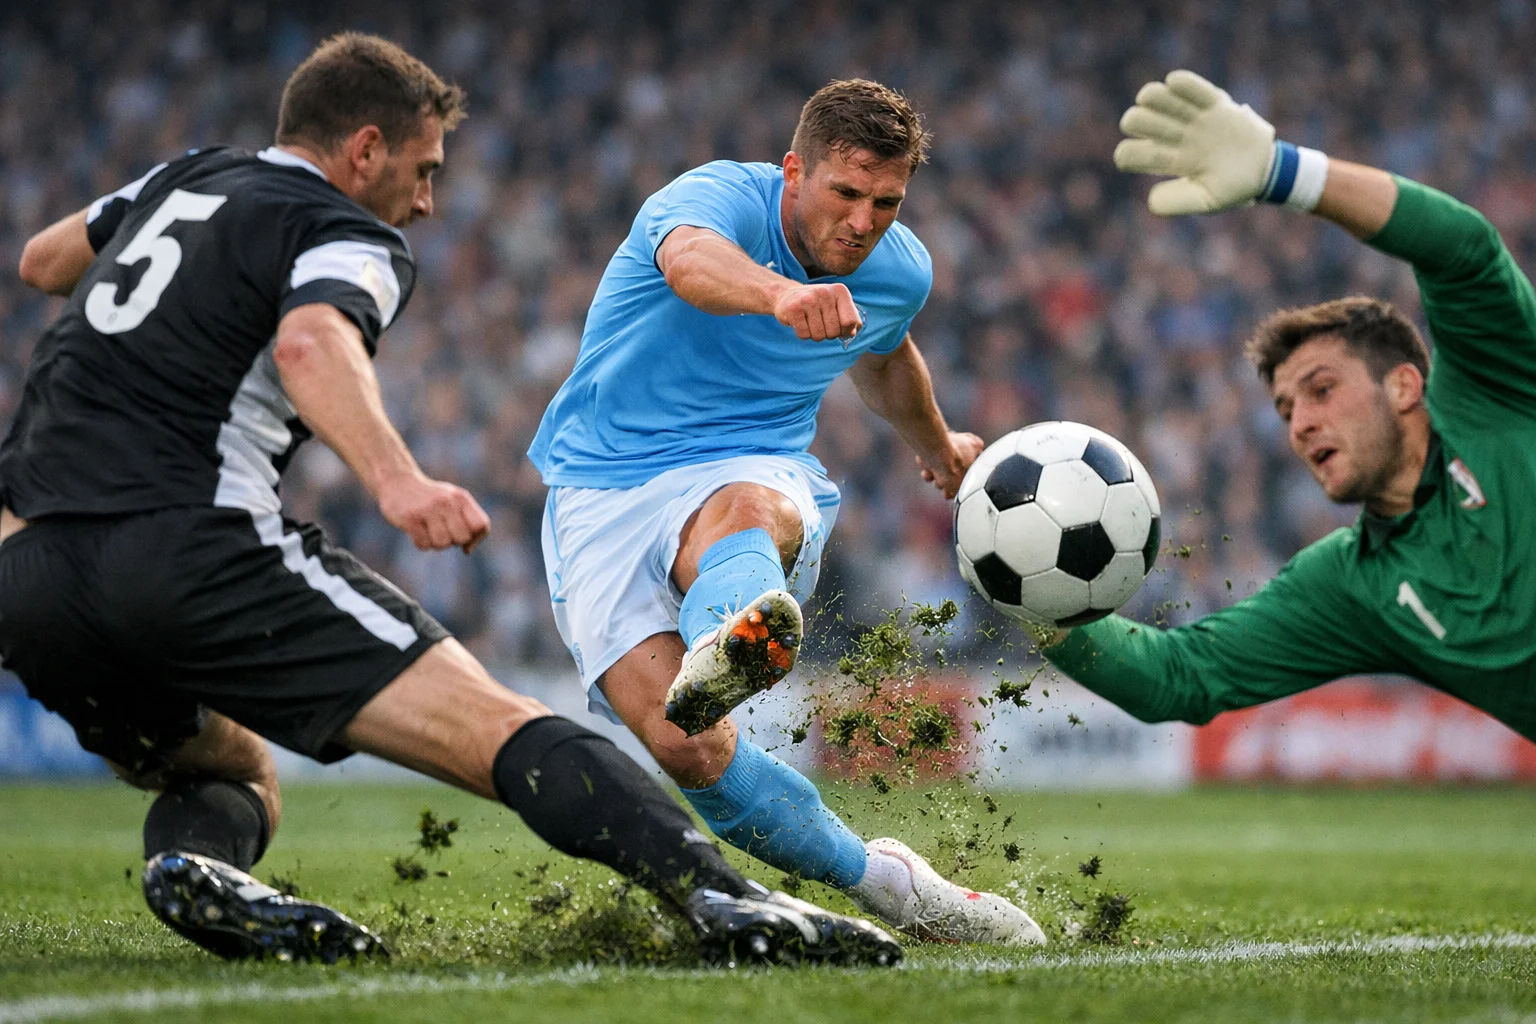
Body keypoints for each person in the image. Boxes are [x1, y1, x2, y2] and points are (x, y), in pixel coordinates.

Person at [0, 33, 901, 969]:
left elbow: (44, 259)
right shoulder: (349, 231)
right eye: (423, 170)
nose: (428, 200)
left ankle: (198, 865)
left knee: (231, 767)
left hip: (27, 570)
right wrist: (401, 482)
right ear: (363, 150)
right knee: (501, 726)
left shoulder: (183, 179)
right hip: (190, 542)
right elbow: (311, 344)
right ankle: (727, 898)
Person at [530, 79, 1045, 945]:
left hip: (753, 466)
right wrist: (779, 295)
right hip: (600, 491)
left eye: (886, 201)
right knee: (690, 749)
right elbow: (688, 261)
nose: (863, 220)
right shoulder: (711, 199)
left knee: (743, 508)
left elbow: (885, 353)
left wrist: (938, 442)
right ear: (794, 172)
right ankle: (887, 882)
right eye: (845, 193)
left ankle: (731, 629)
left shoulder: (898, 266)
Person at [1039, 69, 1536, 746]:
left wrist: (1284, 171)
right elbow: (1181, 675)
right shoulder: (1349, 584)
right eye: (1284, 410)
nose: (1300, 424)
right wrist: (1033, 590)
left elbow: (1464, 252)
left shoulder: (1492, 394)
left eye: (1322, 389)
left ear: (1403, 386)